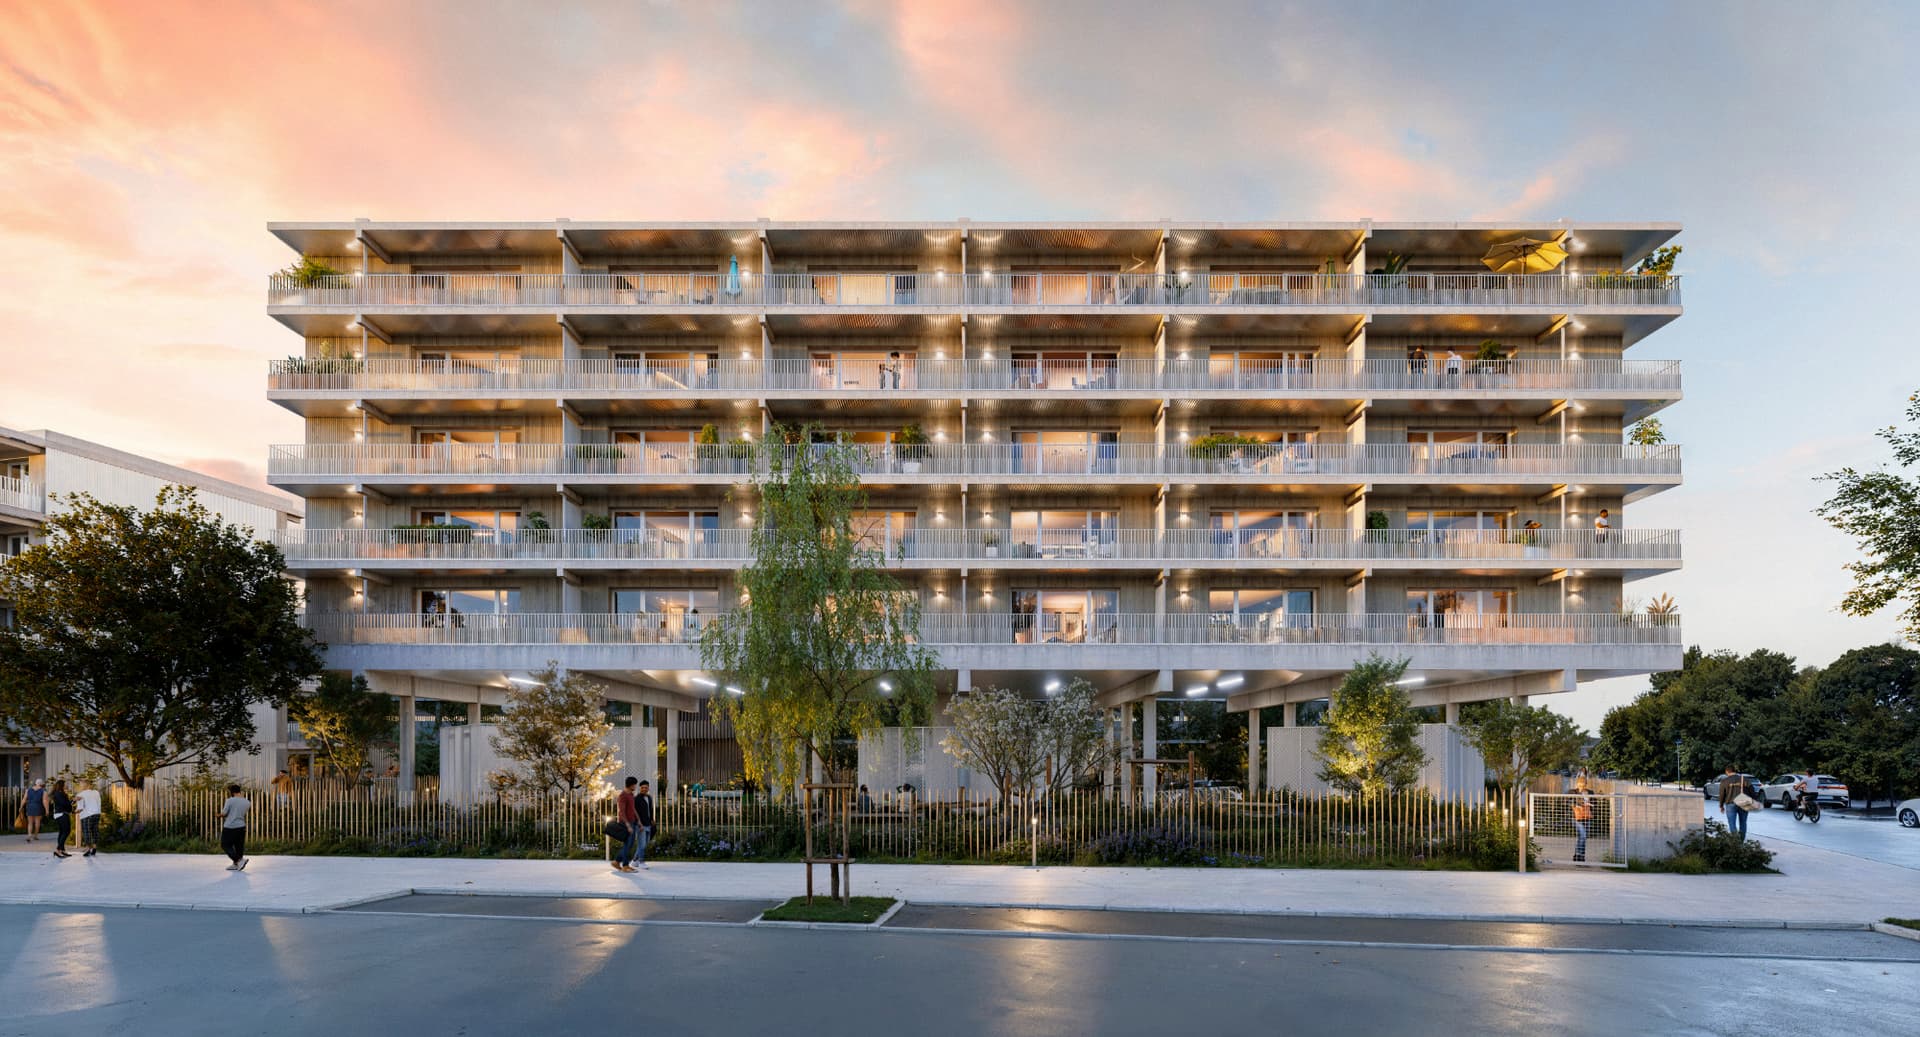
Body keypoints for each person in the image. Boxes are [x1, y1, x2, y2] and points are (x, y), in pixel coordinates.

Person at [614, 776, 642, 872]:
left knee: (629, 844)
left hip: (632, 822)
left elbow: (633, 809)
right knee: (627, 844)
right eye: (635, 785)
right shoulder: (623, 795)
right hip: (626, 823)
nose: (635, 786)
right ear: (631, 785)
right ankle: (625, 865)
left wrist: (638, 821)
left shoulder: (631, 795)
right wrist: (628, 825)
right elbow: (621, 811)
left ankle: (617, 862)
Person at [220, 784, 251, 870]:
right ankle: (236, 864)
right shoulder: (247, 802)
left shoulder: (230, 800)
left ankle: (238, 860)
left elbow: (224, 813)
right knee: (239, 846)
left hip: (230, 826)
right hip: (241, 826)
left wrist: (218, 815)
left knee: (225, 844)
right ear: (239, 791)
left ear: (232, 792)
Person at [1717, 765, 1749, 841]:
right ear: (1735, 771)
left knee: (1732, 824)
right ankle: (1741, 842)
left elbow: (1722, 795)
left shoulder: (1724, 781)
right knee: (1743, 823)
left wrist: (1721, 806)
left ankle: (1735, 843)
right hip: (1743, 803)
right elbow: (1752, 791)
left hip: (1730, 804)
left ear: (1727, 772)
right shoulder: (1744, 779)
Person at [630, 780, 655, 870]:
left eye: (646, 787)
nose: (644, 789)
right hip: (640, 824)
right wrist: (638, 822)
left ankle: (634, 861)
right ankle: (641, 861)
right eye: (642, 787)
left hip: (648, 823)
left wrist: (652, 819)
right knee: (642, 844)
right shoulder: (636, 799)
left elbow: (650, 810)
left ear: (648, 788)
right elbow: (634, 812)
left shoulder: (649, 798)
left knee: (645, 843)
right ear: (640, 788)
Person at [1570, 776, 1593, 863]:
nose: (1582, 787)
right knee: (1582, 835)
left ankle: (1577, 855)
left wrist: (1590, 804)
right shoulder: (1573, 792)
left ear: (1586, 784)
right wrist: (1579, 803)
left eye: (1583, 785)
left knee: (1582, 837)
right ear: (1577, 784)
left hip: (1587, 816)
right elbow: (1569, 801)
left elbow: (1594, 802)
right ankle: (1580, 855)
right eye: (1580, 785)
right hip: (1577, 817)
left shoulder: (1590, 792)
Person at [48, 779, 72, 859]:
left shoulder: (59, 793)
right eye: (65, 784)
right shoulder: (59, 794)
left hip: (60, 814)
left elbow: (64, 803)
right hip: (62, 814)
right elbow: (64, 804)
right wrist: (72, 800)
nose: (67, 785)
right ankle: (58, 850)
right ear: (62, 785)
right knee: (66, 831)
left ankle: (62, 850)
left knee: (62, 832)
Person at [76, 784, 102, 858]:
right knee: (95, 831)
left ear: (83, 786)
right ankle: (94, 848)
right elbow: (99, 803)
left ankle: (88, 849)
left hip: (86, 815)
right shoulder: (96, 792)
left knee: (86, 832)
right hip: (97, 814)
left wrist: (74, 811)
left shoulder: (81, 794)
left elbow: (80, 808)